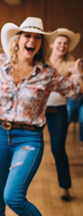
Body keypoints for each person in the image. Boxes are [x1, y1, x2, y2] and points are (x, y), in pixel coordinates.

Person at [0, 17, 83, 215]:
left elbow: (74, 88)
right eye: (27, 36)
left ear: (41, 43)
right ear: (18, 39)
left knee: (13, 197)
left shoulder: (47, 73)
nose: (31, 41)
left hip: (29, 138)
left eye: (37, 37)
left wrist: (78, 74)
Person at [46, 28, 81, 201]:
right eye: (59, 42)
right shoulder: (43, 62)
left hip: (58, 111)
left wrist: (78, 73)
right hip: (38, 110)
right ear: (52, 45)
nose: (62, 46)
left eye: (65, 44)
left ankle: (65, 187)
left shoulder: (71, 64)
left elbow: (76, 88)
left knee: (58, 148)